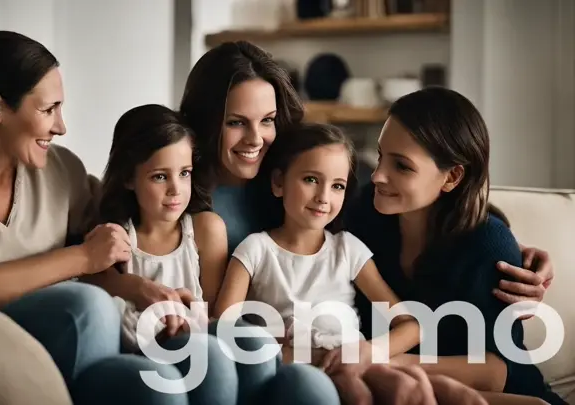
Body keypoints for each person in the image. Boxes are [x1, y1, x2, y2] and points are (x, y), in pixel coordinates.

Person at [175, 41, 557, 403]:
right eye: (236, 122)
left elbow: (494, 366)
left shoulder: (339, 209)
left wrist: (504, 239)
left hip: (369, 366)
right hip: (288, 362)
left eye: (268, 120)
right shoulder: (362, 215)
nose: (376, 177)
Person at [0, 31, 191, 405]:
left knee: (172, 381)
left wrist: (139, 289)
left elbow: (105, 259)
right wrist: (80, 257)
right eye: (48, 110)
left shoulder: (61, 171)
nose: (61, 126)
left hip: (72, 348)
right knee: (86, 307)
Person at [344, 87, 564, 405]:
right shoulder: (365, 214)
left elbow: (498, 372)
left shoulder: (488, 248)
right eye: (380, 157)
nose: (378, 175)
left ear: (452, 177)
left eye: (402, 166)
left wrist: (376, 362)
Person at [213, 123, 421, 374]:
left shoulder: (347, 250)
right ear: (279, 182)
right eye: (311, 179)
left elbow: (410, 327)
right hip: (292, 372)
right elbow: (222, 327)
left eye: (337, 186)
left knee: (418, 389)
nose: (324, 196)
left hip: (353, 366)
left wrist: (368, 350)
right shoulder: (255, 250)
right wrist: (278, 351)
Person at [83, 103, 240, 405]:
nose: (175, 189)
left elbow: (216, 317)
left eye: (184, 173)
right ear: (129, 178)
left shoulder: (206, 230)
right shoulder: (114, 238)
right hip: (139, 359)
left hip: (198, 352)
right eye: (159, 177)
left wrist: (189, 324)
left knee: (214, 354)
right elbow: (103, 311)